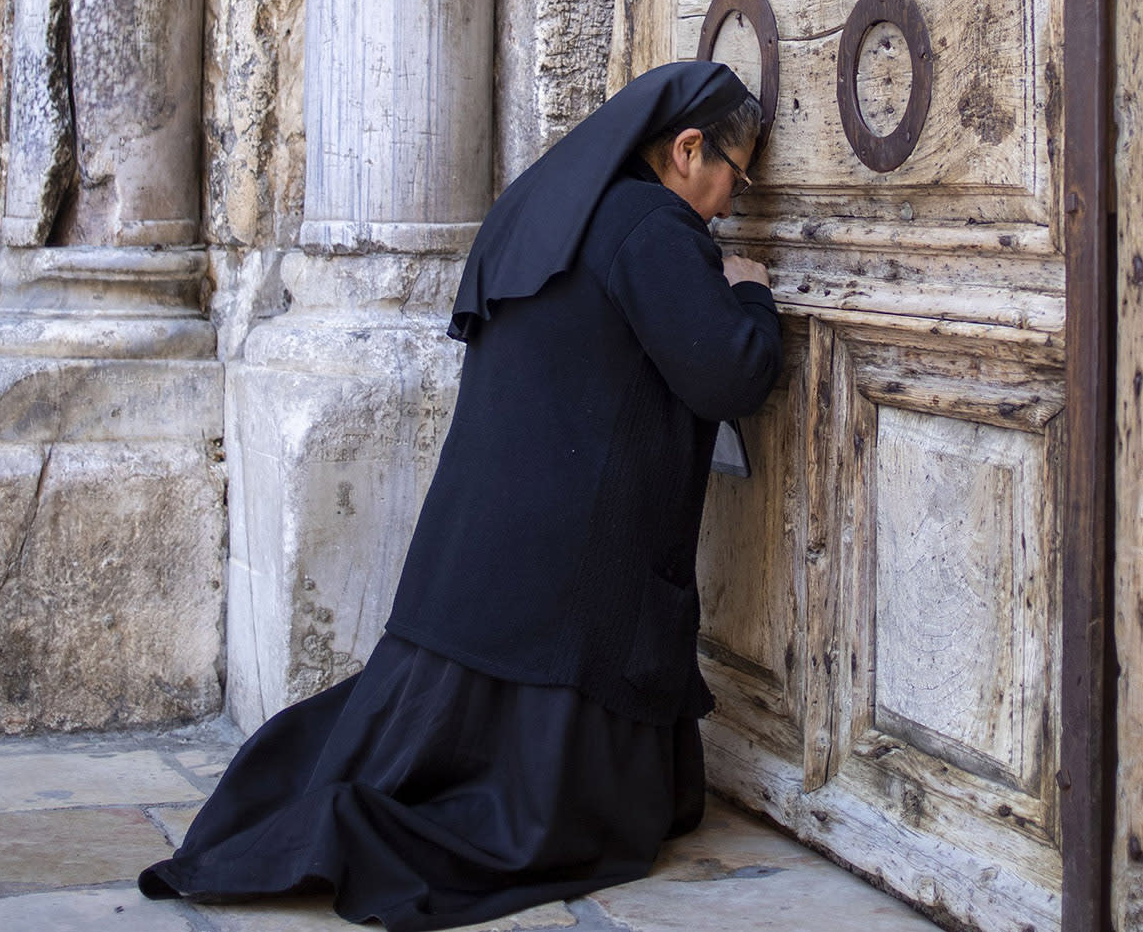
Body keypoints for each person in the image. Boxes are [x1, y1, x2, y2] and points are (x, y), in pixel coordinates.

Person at [141, 61, 781, 929]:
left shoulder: (546, 207)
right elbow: (728, 372)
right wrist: (750, 297)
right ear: (687, 148)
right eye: (733, 179)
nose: (729, 204)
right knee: (553, 822)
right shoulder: (650, 225)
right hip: (574, 569)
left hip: (484, 551)